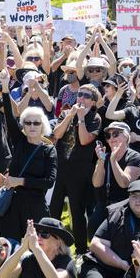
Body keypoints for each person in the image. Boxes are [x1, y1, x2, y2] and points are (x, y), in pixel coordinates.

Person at [0, 69, 57, 241]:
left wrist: (20, 181)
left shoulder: (49, 150)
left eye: (36, 123)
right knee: (12, 246)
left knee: (36, 247)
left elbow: (49, 181)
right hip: (13, 205)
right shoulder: (19, 141)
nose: (32, 126)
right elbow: (9, 115)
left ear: (43, 125)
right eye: (28, 123)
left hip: (36, 206)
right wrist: (5, 87)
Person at [51, 81, 102, 255]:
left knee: (77, 212)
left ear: (93, 102)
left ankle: (81, 250)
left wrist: (80, 118)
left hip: (80, 173)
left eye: (87, 96)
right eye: (80, 94)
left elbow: (84, 140)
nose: (81, 98)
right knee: (54, 209)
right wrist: (70, 115)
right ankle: (50, 244)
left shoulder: (95, 118)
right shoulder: (67, 113)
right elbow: (56, 135)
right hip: (61, 169)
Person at [78, 180, 140, 278]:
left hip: (137, 273)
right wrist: (122, 264)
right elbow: (96, 244)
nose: (137, 200)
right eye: (133, 196)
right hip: (103, 266)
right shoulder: (118, 214)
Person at [90, 122, 140, 237]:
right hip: (105, 203)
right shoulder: (104, 157)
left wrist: (113, 161)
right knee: (92, 228)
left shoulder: (135, 157)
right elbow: (96, 183)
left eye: (115, 134)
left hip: (126, 205)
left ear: (126, 136)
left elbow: (124, 183)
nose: (111, 138)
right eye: (108, 136)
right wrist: (101, 160)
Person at [0, 218, 76, 278]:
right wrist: (22, 248)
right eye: (37, 233)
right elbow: (3, 274)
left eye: (44, 234)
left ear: (58, 242)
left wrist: (36, 247)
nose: (38, 238)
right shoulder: (29, 261)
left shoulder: (68, 263)